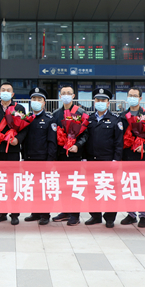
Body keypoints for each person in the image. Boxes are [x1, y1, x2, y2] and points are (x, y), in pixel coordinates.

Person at [0, 82, 27, 226]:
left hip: (12, 150)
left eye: (8, 90)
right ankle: (1, 212)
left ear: (12, 94)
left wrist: (18, 140)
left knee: (13, 183)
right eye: (3, 90)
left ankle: (15, 214)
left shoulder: (19, 108)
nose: (5, 92)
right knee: (0, 182)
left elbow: (25, 128)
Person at [84, 88, 123, 228]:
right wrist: (84, 158)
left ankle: (110, 217)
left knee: (109, 189)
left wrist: (116, 159)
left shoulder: (115, 119)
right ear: (94, 102)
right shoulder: (89, 119)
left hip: (108, 160)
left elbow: (119, 142)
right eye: (98, 100)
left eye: (103, 100)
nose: (100, 102)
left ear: (108, 103)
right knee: (92, 189)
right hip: (91, 160)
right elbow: (85, 139)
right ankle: (95, 215)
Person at [51, 84, 88, 226]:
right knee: (63, 185)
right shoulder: (56, 114)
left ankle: (75, 214)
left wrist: (77, 145)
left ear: (73, 96)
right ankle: (65, 211)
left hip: (74, 154)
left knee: (74, 185)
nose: (66, 95)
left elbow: (85, 134)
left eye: (68, 93)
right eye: (63, 93)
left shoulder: (80, 112)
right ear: (60, 96)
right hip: (61, 154)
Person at [22, 87, 57, 226]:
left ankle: (45, 214)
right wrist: (23, 157)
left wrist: (50, 160)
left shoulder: (49, 120)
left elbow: (52, 142)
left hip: (43, 159)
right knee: (33, 187)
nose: (36, 101)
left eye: (39, 99)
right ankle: (35, 212)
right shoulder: (26, 119)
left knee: (44, 188)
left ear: (44, 103)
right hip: (29, 159)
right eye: (34, 99)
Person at [119, 87, 145, 228]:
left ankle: (144, 215)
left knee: (142, 186)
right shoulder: (122, 115)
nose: (132, 98)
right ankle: (131, 214)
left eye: (135, 95)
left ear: (140, 98)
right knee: (129, 185)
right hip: (127, 155)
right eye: (130, 95)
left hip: (141, 156)